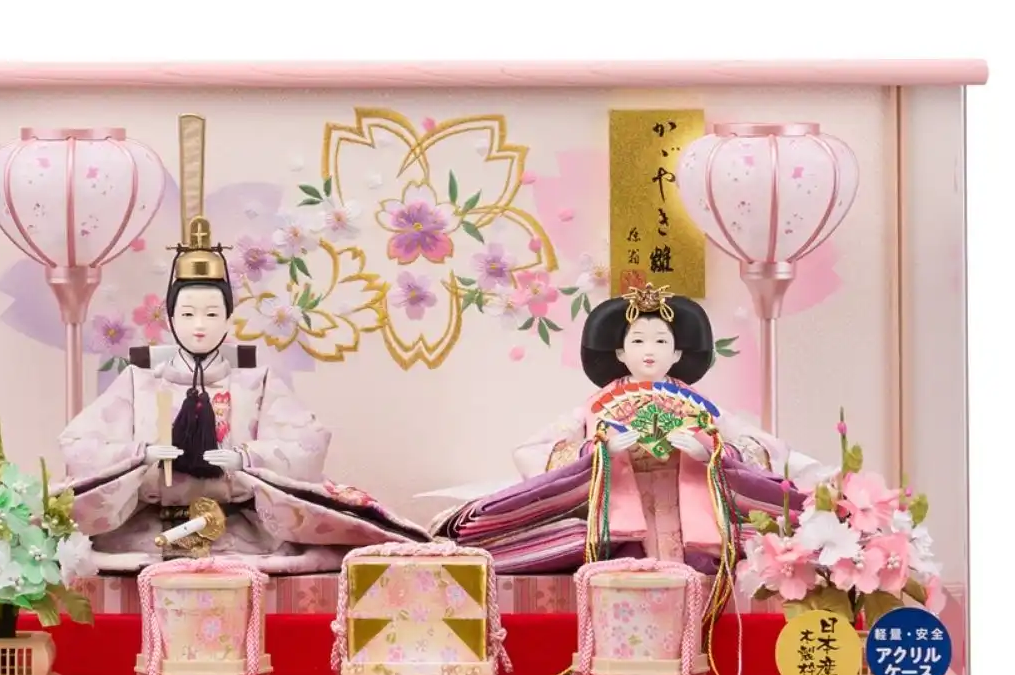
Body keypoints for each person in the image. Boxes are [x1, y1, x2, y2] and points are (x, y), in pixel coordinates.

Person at [58, 215, 425, 574]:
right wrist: (140, 456)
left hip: (240, 534)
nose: (199, 325)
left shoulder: (256, 383)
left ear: (227, 319)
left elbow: (309, 443)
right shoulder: (138, 383)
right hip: (146, 534)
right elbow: (79, 445)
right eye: (187, 314)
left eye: (211, 314)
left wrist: (246, 459)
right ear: (170, 318)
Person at [433, 283, 808, 574]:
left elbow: (767, 447)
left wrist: (711, 453)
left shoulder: (700, 405)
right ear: (620, 352)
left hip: (686, 503)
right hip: (622, 504)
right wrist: (597, 452)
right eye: (638, 341)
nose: (650, 350)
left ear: (677, 352)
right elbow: (532, 451)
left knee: (693, 573)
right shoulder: (595, 406)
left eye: (661, 341)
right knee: (627, 573)